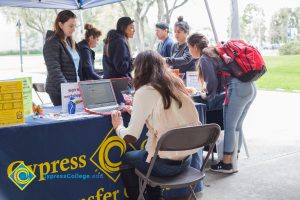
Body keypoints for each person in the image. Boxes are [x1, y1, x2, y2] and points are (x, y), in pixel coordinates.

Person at [111, 50, 201, 200]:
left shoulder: (144, 91)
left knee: (128, 157)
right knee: (151, 156)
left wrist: (118, 126)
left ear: (138, 69)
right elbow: (166, 114)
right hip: (186, 161)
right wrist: (136, 110)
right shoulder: (175, 85)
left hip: (163, 166)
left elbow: (131, 137)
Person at [187, 33, 257, 173]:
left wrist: (206, 95)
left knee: (229, 127)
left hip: (237, 89)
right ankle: (233, 158)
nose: (189, 51)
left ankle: (226, 164)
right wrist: (212, 90)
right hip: (250, 87)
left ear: (194, 46)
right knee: (237, 126)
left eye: (189, 47)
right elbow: (221, 78)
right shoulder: (214, 51)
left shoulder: (205, 58)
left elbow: (212, 83)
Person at [43, 10, 82, 106]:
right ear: (60, 25)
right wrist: (67, 90)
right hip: (59, 91)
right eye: (70, 26)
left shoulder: (70, 41)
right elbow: (54, 70)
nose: (73, 29)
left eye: (75, 26)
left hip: (74, 89)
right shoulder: (52, 42)